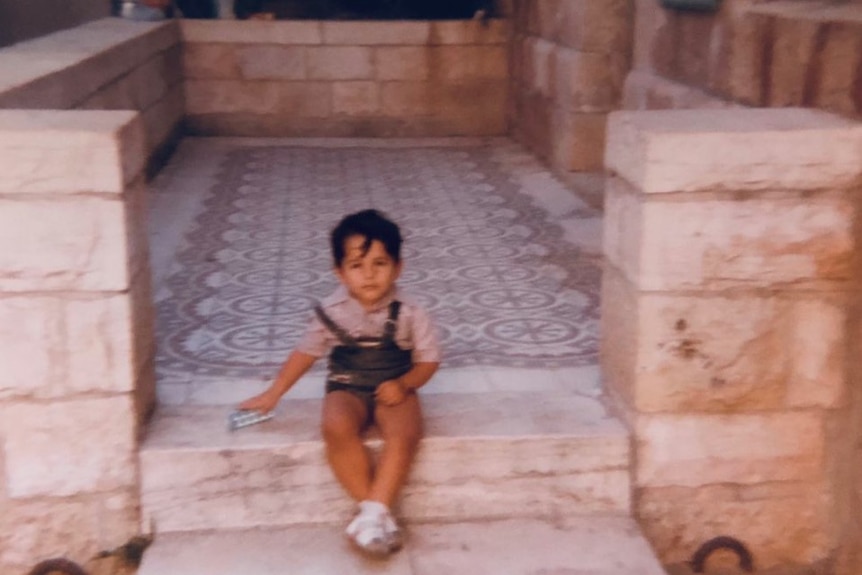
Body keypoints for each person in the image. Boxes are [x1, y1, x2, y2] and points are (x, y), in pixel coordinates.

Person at [239, 209, 440, 557]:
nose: (369, 275)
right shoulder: (330, 311)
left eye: (380, 264)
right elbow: (305, 354)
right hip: (346, 384)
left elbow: (429, 361)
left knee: (406, 432)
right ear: (339, 271)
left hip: (395, 383)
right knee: (335, 426)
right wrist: (273, 394)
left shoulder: (410, 312)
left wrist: (406, 384)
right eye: (357, 266)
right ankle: (374, 512)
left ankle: (371, 515)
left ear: (398, 267)